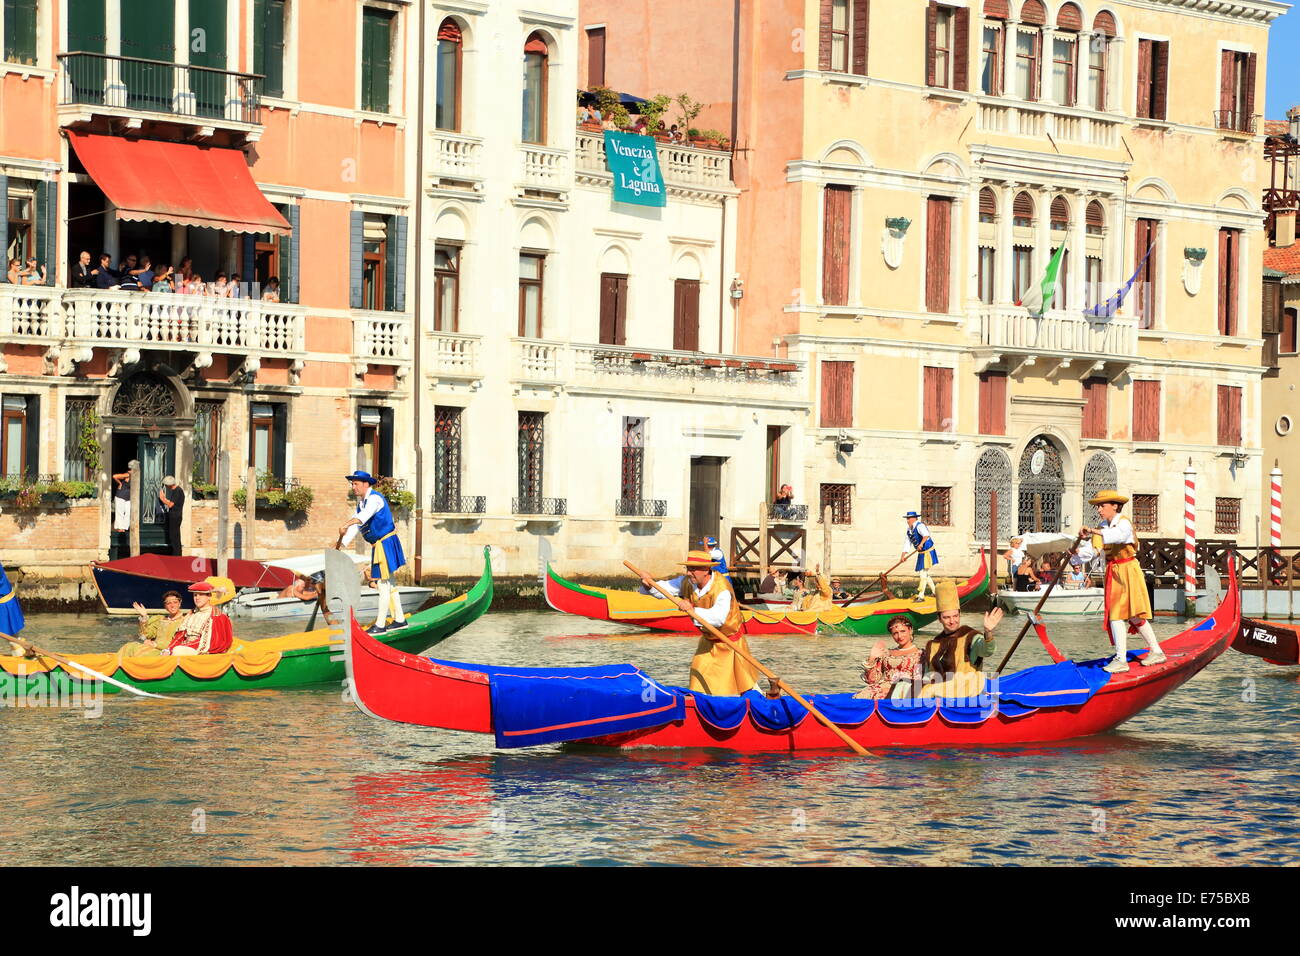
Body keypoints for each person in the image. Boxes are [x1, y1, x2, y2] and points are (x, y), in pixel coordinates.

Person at [640, 550, 760, 696]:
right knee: (699, 676)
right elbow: (664, 589)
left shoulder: (722, 588)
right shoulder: (688, 581)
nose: (689, 573)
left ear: (706, 570)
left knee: (739, 687)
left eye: (693, 569)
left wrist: (692, 609)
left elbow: (718, 618)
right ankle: (700, 707)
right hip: (708, 642)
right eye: (688, 568)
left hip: (730, 644)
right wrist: (649, 584)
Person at [1081, 490, 1164, 673]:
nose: (1099, 510)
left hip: (1128, 569)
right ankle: (1157, 651)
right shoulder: (1102, 526)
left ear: (1115, 506)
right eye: (1098, 506)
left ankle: (1121, 659)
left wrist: (1094, 531)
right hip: (1115, 571)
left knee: (1119, 614)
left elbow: (1118, 536)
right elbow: (1093, 551)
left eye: (1102, 506)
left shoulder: (1124, 523)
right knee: (1131, 616)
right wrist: (1075, 555)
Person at [340, 470, 408, 635]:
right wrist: (342, 543)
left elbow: (363, 517)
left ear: (365, 484)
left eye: (355, 484)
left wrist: (346, 524)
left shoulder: (375, 499)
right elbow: (357, 524)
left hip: (385, 543)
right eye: (352, 484)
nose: (353, 487)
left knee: (383, 584)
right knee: (389, 583)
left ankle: (380, 624)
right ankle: (400, 620)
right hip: (380, 545)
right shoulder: (362, 503)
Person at [919, 581, 1003, 699]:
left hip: (967, 690)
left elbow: (987, 650)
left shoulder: (970, 637)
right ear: (939, 619)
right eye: (947, 617)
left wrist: (988, 632)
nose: (952, 621)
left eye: (955, 616)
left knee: (928, 691)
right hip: (939, 694)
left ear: (960, 615)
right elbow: (929, 674)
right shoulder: (933, 644)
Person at [856, 615, 923, 699]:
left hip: (906, 690)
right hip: (881, 689)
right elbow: (872, 681)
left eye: (903, 631)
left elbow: (920, 681)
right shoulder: (886, 654)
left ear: (910, 630)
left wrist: (892, 689)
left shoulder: (921, 654)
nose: (900, 636)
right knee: (861, 696)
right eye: (895, 633)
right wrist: (872, 658)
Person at [165, 579, 234, 655]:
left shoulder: (217, 616)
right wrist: (169, 649)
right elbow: (180, 635)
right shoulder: (191, 614)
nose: (197, 598)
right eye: (195, 595)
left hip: (202, 651)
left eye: (200, 594)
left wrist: (182, 646)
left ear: (209, 596)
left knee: (177, 650)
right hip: (186, 647)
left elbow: (211, 642)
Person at [121, 591, 187, 657]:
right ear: (165, 606)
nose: (172, 606)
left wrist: (155, 645)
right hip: (153, 649)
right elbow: (146, 635)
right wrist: (144, 617)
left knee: (138, 652)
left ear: (180, 603)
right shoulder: (160, 620)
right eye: (168, 603)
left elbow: (182, 643)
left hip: (167, 653)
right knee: (129, 646)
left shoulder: (185, 621)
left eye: (175, 602)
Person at [904, 510, 940, 602]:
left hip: (928, 551)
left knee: (922, 574)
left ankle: (921, 596)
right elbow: (907, 543)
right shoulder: (909, 530)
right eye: (907, 519)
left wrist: (921, 544)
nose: (907, 520)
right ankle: (935, 592)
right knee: (924, 574)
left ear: (914, 518)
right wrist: (903, 555)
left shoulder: (920, 526)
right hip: (921, 553)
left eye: (908, 518)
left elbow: (926, 535)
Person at [0, 563, 26, 656]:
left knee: (11, 636)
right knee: (12, 636)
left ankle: (19, 651)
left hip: (4, 602)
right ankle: (18, 648)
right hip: (5, 600)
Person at [159, 476, 185, 556]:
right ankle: (176, 554)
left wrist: (162, 499)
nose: (166, 487)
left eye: (166, 485)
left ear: (168, 485)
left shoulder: (177, 491)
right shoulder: (177, 491)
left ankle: (177, 555)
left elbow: (170, 505)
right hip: (175, 516)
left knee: (174, 536)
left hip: (175, 516)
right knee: (174, 535)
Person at [111, 464, 136, 533]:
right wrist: (120, 483)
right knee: (120, 512)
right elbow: (114, 476)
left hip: (128, 497)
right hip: (121, 496)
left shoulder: (135, 476)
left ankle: (124, 527)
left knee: (128, 512)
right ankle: (119, 528)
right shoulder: (127, 474)